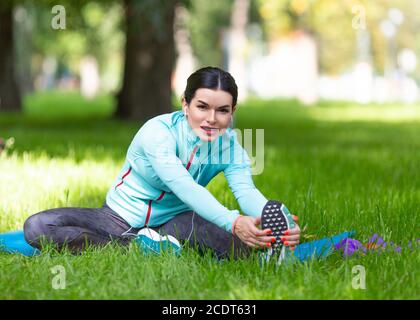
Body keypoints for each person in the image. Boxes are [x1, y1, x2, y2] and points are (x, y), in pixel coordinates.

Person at [5, 67, 301, 260]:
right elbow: (184, 186)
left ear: (233, 111)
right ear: (185, 104)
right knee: (38, 227)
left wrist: (270, 221)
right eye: (202, 107)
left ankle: (266, 248)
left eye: (222, 110)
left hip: (176, 221)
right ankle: (137, 246)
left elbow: (245, 191)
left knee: (238, 248)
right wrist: (233, 221)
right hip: (117, 218)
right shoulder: (157, 133)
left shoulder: (230, 146)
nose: (212, 119)